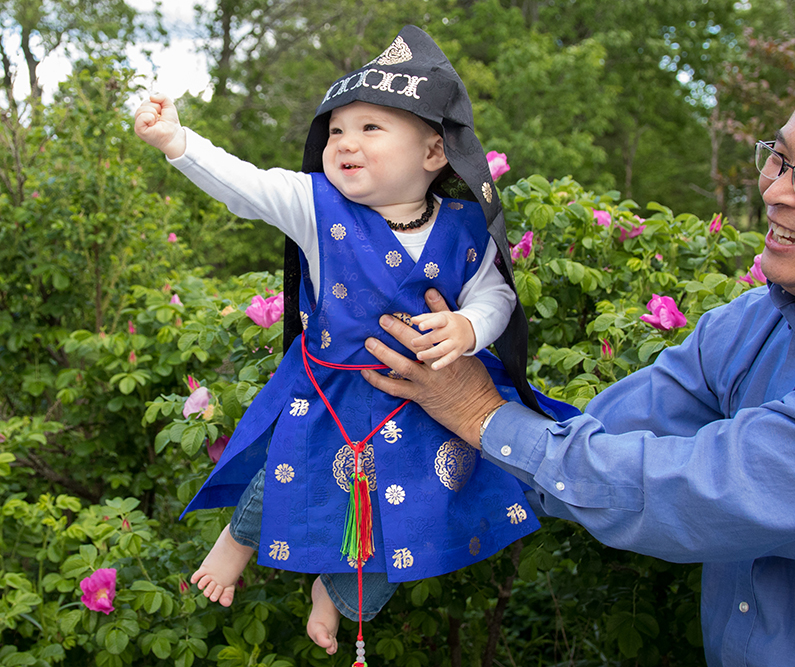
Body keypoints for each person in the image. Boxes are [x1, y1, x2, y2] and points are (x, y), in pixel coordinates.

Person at [362, 53, 795, 666]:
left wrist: (481, 413)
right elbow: (608, 432)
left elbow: (701, 492)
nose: (775, 191)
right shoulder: (763, 319)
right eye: (779, 157)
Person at [134, 25, 573, 659]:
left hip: (427, 404)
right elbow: (246, 185)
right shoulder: (316, 207)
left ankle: (337, 597)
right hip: (333, 391)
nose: (345, 143)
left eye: (371, 128)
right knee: (291, 470)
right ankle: (237, 541)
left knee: (410, 525)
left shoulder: (465, 225)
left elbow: (496, 295)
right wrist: (177, 141)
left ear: (433, 153)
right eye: (336, 129)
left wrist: (469, 326)